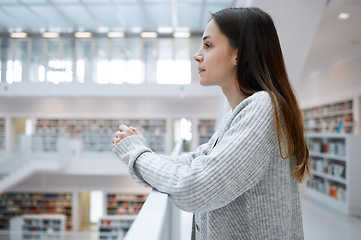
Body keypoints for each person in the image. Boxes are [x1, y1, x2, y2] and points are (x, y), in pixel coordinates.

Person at [112, 7, 310, 240]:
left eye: (208, 45)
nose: (197, 55)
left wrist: (136, 153)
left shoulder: (262, 107)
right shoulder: (240, 113)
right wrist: (139, 152)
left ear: (241, 53)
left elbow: (196, 188)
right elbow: (192, 162)